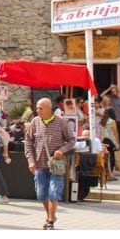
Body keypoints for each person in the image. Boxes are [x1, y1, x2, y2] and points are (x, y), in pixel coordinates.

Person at [24, 97, 76, 230]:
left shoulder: (61, 122)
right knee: (41, 193)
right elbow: (28, 143)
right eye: (37, 108)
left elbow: (71, 140)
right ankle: (50, 215)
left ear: (49, 109)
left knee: (54, 191)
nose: (38, 110)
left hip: (55, 164)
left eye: (40, 108)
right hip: (39, 164)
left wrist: (61, 150)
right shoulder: (35, 122)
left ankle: (51, 220)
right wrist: (30, 161)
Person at [99, 107, 120, 180]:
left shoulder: (102, 121)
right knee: (111, 157)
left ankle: (106, 172)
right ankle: (111, 173)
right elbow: (116, 133)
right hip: (111, 141)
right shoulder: (112, 121)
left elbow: (101, 132)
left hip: (104, 140)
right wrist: (117, 143)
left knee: (105, 157)